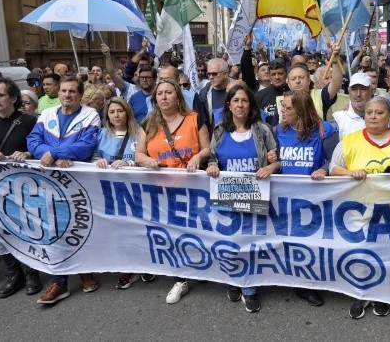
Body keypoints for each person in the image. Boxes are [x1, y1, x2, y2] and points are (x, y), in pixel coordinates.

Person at [330, 96, 390, 319]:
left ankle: (383, 294)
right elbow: (333, 168)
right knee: (362, 253)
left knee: (388, 253)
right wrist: (349, 173)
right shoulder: (349, 142)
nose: (373, 117)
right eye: (369, 112)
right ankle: (361, 293)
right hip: (360, 210)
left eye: (379, 113)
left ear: (389, 116)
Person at [27, 76, 101, 305]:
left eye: (72, 91)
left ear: (80, 95)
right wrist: (50, 155)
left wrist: (54, 153)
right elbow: (33, 140)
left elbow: (86, 145)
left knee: (80, 226)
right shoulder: (47, 114)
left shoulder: (90, 115)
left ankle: (85, 271)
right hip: (49, 182)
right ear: (58, 93)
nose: (67, 95)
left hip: (78, 182)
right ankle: (58, 281)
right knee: (54, 228)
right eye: (64, 91)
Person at [206, 85, 280, 313]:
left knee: (250, 244)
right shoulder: (219, 131)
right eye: (236, 100)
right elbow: (212, 158)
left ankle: (250, 288)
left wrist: (270, 167)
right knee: (230, 242)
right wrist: (212, 166)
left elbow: (277, 161)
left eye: (244, 100)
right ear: (229, 105)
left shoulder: (262, 130)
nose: (240, 104)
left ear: (250, 105)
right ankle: (233, 280)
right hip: (228, 198)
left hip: (255, 198)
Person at [137, 78, 210, 303]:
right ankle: (180, 278)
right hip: (162, 189)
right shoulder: (148, 124)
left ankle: (200, 267)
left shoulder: (194, 119)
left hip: (193, 188)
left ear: (178, 96)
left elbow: (207, 148)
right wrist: (148, 161)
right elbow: (139, 154)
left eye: (169, 92)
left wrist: (197, 157)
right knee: (171, 233)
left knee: (196, 231)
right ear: (155, 99)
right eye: (160, 94)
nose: (164, 97)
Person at [0, 77, 42, 298]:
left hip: (25, 186)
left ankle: (32, 273)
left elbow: (40, 149)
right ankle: (14, 274)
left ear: (13, 98)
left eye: (0, 95)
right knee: (1, 231)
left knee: (27, 230)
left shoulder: (29, 121)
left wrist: (27, 153)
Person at [275, 90, 338, 307]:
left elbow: (335, 160)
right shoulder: (279, 131)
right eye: (282, 106)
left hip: (315, 199)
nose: (283, 111)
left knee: (313, 243)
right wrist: (272, 160)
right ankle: (298, 282)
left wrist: (324, 170)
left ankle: (310, 283)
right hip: (287, 199)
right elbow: (276, 161)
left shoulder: (324, 130)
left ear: (301, 110)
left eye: (288, 108)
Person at [91, 97, 154, 289]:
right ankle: (129, 267)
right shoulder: (102, 134)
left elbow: (149, 158)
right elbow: (93, 157)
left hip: (137, 191)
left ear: (127, 112)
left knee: (140, 228)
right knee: (120, 230)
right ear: (107, 116)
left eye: (120, 111)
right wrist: (98, 162)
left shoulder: (139, 133)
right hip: (111, 192)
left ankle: (147, 263)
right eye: (112, 112)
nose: (116, 115)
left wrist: (129, 163)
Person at [102, 43, 155, 122]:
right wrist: (107, 56)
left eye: (147, 77)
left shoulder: (158, 91)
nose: (143, 69)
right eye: (141, 66)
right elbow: (113, 75)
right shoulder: (128, 87)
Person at [331, 72, 372, 139]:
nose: (358, 94)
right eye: (354, 89)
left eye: (363, 89)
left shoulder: (382, 116)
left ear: (370, 90)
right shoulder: (338, 120)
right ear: (349, 91)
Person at [254, 59, 289, 126]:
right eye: (273, 74)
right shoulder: (259, 96)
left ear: (286, 74)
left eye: (280, 74)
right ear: (269, 76)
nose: (277, 77)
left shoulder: (294, 94)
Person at [199, 58, 232, 128]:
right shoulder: (203, 94)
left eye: (214, 74)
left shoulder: (238, 89)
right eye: (208, 74)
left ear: (225, 74)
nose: (211, 77)